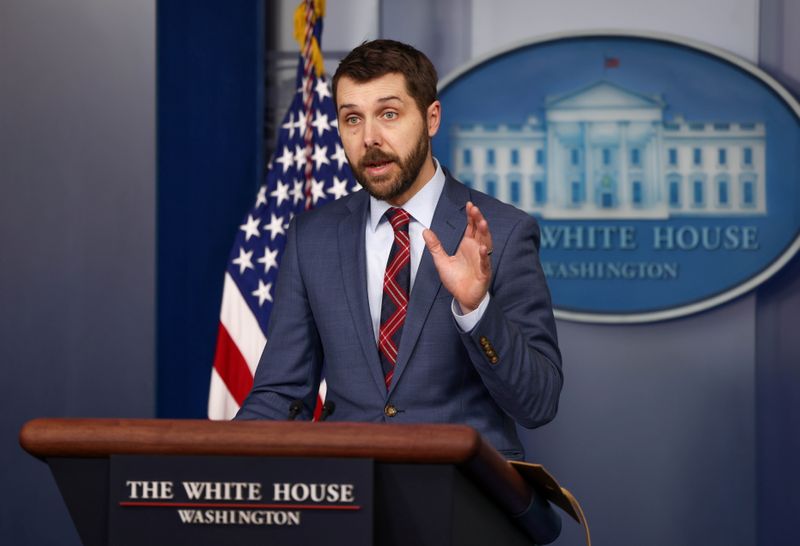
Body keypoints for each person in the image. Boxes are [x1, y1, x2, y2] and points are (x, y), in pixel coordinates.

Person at [236, 39, 562, 460]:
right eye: (352, 119)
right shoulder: (310, 238)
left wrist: (476, 309)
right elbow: (281, 395)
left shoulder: (504, 232)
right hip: (346, 494)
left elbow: (538, 403)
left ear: (431, 118)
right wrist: (218, 474)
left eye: (388, 114)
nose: (370, 137)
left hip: (467, 499)